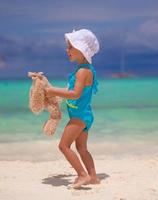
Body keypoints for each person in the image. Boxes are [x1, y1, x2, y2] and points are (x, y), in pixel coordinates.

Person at [44, 29, 100, 189]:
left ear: (82, 50)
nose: (67, 50)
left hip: (79, 116)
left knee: (63, 146)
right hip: (84, 115)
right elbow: (71, 92)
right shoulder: (84, 69)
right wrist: (51, 89)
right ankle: (93, 177)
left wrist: (52, 91)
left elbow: (74, 94)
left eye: (70, 47)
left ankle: (82, 174)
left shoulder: (83, 72)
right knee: (81, 148)